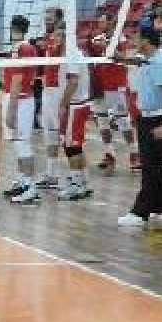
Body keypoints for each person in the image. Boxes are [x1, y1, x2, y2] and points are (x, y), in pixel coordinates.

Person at [118, 26, 162, 228]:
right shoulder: (148, 60)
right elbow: (130, 59)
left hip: (158, 120)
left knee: (150, 168)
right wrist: (113, 54)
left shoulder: (160, 63)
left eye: (136, 36)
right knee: (154, 167)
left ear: (146, 40)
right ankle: (161, 207)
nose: (133, 40)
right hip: (146, 119)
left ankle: (140, 213)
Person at [1, 15, 42, 204]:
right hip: (22, 99)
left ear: (12, 28)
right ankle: (23, 181)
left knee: (23, 143)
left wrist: (11, 108)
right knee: (19, 144)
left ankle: (30, 187)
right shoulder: (27, 47)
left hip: (21, 100)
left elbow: (18, 79)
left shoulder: (22, 48)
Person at [91, 13, 139, 172]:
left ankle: (134, 154)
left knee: (123, 122)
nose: (99, 23)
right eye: (99, 21)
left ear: (112, 22)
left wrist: (107, 46)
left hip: (116, 86)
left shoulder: (120, 38)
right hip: (99, 87)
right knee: (103, 122)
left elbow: (124, 59)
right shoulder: (96, 38)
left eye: (102, 21)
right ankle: (109, 155)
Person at [56, 39, 95, 201]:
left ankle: (76, 185)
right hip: (79, 104)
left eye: (58, 35)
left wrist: (62, 105)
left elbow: (73, 81)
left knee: (71, 147)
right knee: (75, 146)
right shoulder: (74, 53)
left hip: (75, 105)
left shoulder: (72, 54)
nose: (54, 39)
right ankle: (84, 182)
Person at [34, 7, 65, 189]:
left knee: (65, 136)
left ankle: (78, 179)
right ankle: (51, 174)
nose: (47, 21)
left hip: (58, 91)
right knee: (50, 133)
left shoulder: (63, 39)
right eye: (45, 18)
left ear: (59, 19)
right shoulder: (48, 39)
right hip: (48, 91)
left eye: (50, 18)